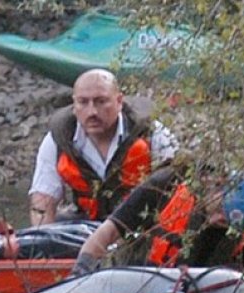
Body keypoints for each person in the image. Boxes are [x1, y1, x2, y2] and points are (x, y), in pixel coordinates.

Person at [28, 68, 178, 226]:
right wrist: (42, 240)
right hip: (85, 221)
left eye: (101, 101)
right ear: (74, 105)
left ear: (119, 101)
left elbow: (177, 192)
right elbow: (42, 202)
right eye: (83, 102)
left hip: (139, 223)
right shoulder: (58, 138)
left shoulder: (153, 134)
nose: (92, 112)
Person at [70, 163, 244, 276]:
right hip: (133, 279)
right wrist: (81, 271)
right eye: (219, 209)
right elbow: (108, 232)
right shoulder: (165, 185)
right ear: (218, 183)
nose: (217, 219)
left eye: (226, 222)